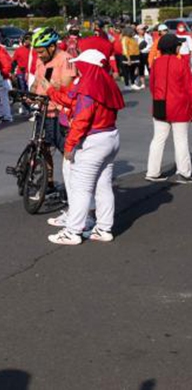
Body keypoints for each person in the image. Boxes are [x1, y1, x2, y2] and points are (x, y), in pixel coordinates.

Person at [45, 49, 123, 245]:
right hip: (110, 137)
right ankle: (103, 228)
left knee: (81, 188)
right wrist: (52, 91)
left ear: (88, 66)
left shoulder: (89, 85)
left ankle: (73, 231)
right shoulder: (105, 82)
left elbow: (82, 118)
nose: (78, 68)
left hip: (93, 141)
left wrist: (70, 144)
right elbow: (72, 98)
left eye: (81, 64)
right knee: (103, 187)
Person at [145, 33, 192, 183]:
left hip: (160, 104)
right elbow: (189, 88)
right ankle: (184, 173)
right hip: (179, 106)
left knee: (158, 139)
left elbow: (152, 85)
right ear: (174, 47)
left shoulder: (156, 63)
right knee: (181, 140)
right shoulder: (182, 63)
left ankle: (152, 172)